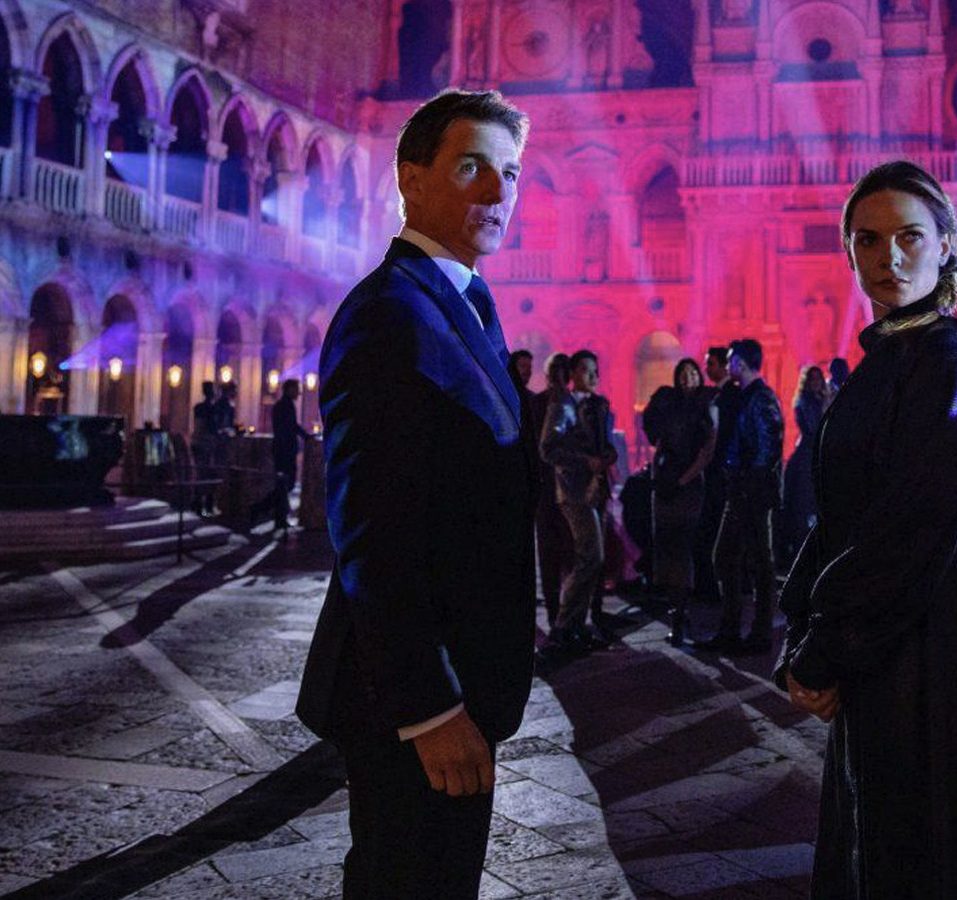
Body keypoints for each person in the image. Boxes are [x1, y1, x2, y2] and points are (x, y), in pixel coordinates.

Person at [295, 90, 536, 899]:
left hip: (463, 678)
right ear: (412, 177)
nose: (498, 192)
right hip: (416, 702)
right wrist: (428, 708)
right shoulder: (390, 314)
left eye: (510, 173)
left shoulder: (457, 301)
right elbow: (372, 531)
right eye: (472, 168)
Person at [777, 160, 957, 897]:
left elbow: (911, 525)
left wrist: (823, 650)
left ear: (945, 245)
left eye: (910, 237)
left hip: (925, 643)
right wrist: (802, 628)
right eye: (868, 239)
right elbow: (841, 511)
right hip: (875, 636)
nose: (889, 257)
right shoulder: (887, 354)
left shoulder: (956, 361)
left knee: (917, 848)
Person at [697, 338, 783, 655]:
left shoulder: (761, 397)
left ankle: (758, 633)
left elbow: (769, 446)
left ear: (741, 363)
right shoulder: (746, 396)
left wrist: (750, 480)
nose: (727, 364)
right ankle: (731, 629)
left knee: (758, 562)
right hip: (741, 489)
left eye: (731, 359)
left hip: (752, 492)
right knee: (727, 557)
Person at [541, 349, 618, 654]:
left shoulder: (599, 405)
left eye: (595, 370)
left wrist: (607, 456)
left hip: (598, 489)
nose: (593, 376)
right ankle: (563, 627)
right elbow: (548, 448)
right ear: (572, 374)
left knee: (592, 559)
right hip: (574, 492)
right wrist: (585, 461)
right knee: (591, 556)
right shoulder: (563, 404)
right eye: (586, 370)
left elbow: (607, 446)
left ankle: (576, 627)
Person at [641, 357, 716, 645]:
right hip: (665, 482)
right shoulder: (668, 402)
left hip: (688, 485)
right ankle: (676, 610)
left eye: (692, 373)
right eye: (682, 374)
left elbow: (707, 450)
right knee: (665, 547)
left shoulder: (705, 404)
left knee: (682, 549)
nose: (687, 378)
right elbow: (656, 437)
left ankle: (681, 613)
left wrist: (684, 480)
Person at [531, 352, 573, 626]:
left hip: (561, 487)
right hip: (550, 487)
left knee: (564, 553)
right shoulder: (540, 403)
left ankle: (562, 614)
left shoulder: (570, 402)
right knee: (553, 554)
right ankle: (557, 614)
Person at [695, 345, 735, 603]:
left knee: (711, 531)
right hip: (719, 472)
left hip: (719, 473)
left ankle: (711, 590)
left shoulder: (728, 395)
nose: (706, 368)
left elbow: (718, 438)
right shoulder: (720, 394)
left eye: (710, 363)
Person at [780, 365, 830, 567]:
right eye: (813, 378)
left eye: (819, 378)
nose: (816, 382)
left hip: (815, 457)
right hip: (806, 459)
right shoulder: (805, 402)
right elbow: (813, 429)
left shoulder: (820, 400)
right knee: (803, 506)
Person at [254, 378, 309, 530]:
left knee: (284, 486)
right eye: (296, 389)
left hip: (283, 450)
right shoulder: (284, 405)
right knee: (285, 485)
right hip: (284, 451)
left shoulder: (285, 405)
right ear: (289, 389)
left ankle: (272, 515)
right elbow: (290, 427)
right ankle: (265, 511)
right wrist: (305, 436)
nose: (299, 392)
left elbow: (291, 426)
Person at [191, 381, 221, 514]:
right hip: (206, 444)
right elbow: (210, 427)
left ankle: (199, 503)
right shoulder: (211, 409)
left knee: (202, 474)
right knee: (208, 474)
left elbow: (199, 426)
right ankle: (206, 504)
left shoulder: (199, 407)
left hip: (198, 442)